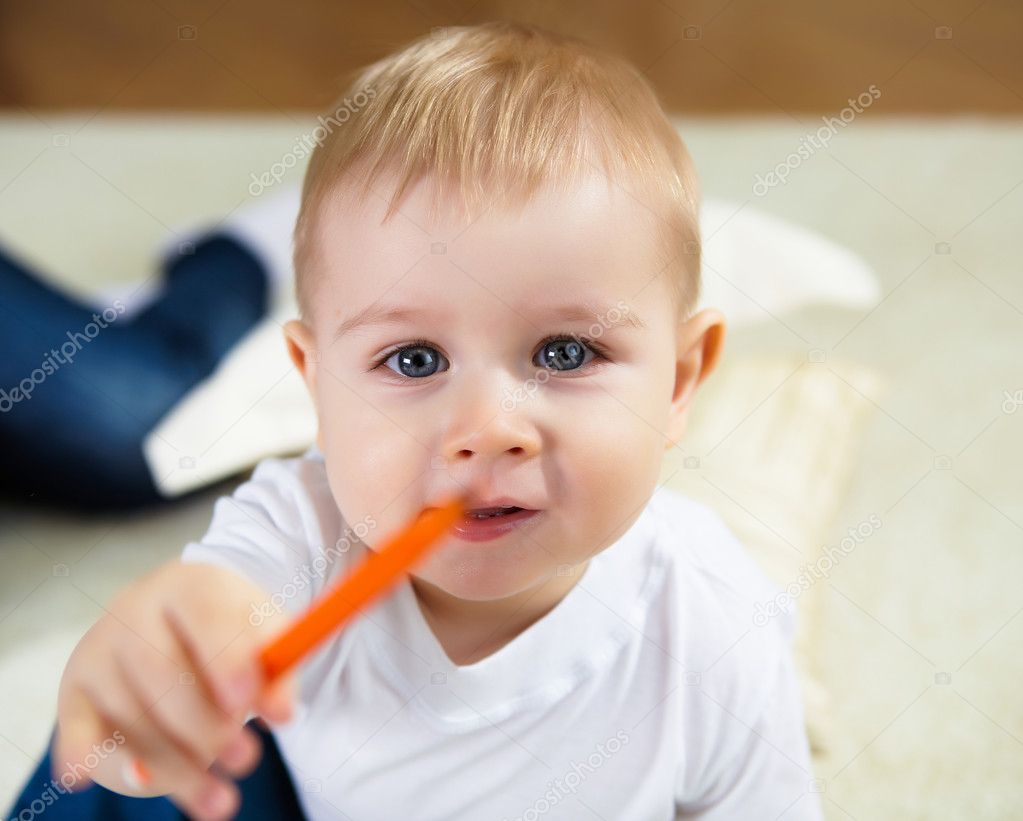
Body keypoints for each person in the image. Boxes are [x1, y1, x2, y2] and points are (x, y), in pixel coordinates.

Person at [10, 21, 821, 820]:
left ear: (679, 382)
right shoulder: (303, 530)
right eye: (414, 360)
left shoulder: (714, 622)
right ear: (316, 386)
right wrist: (152, 671)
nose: (488, 427)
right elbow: (211, 616)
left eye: (566, 353)